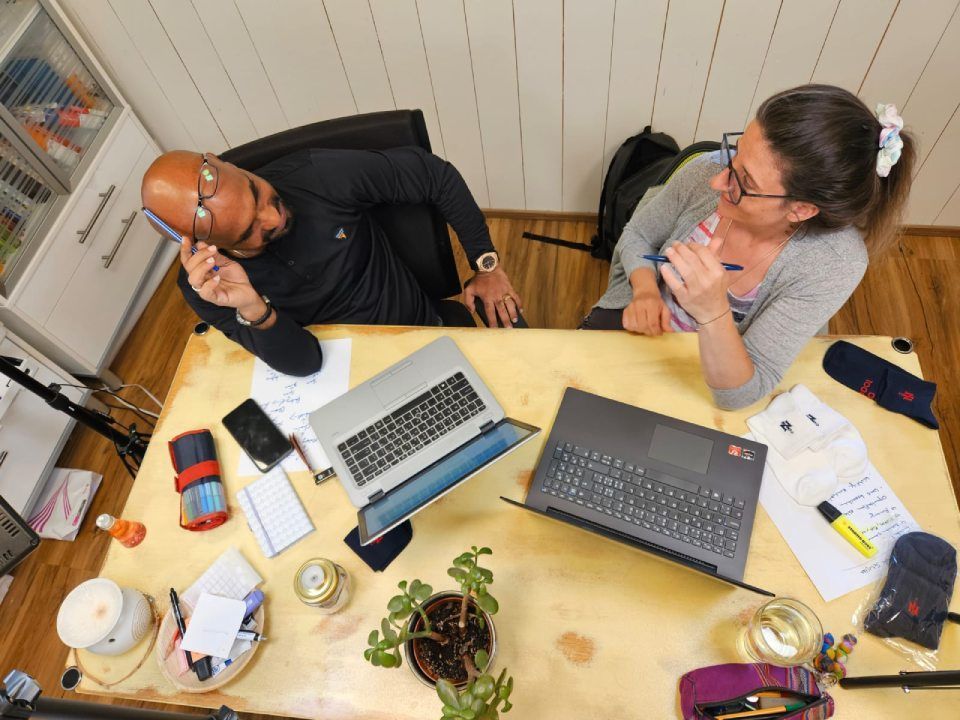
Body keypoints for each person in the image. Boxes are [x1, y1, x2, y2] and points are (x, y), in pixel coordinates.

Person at [583, 84, 915, 410]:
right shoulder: (707, 171)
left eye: (744, 182)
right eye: (737, 153)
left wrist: (713, 312)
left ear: (801, 209)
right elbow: (638, 234)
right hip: (639, 331)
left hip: (714, 372)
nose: (717, 181)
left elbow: (740, 392)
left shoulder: (833, 263)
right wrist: (645, 291)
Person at [141, 147, 523, 376]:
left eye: (258, 193)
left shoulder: (317, 175)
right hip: (345, 381)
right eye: (249, 231)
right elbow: (305, 363)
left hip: (425, 338)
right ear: (206, 246)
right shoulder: (209, 285)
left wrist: (486, 266)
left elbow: (434, 175)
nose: (273, 219)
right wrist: (253, 308)